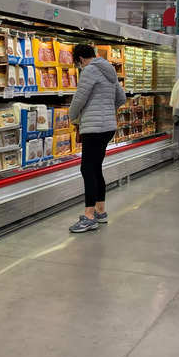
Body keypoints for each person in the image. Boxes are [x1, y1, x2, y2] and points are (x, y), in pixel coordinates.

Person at [68, 44, 126, 233]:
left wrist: (71, 115)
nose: (80, 66)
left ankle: (89, 216)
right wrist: (108, 111)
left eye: (78, 63)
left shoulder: (90, 70)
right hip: (108, 127)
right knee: (96, 167)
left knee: (87, 168)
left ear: (81, 59)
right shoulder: (109, 70)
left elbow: (79, 98)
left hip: (93, 128)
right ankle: (101, 210)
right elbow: (121, 98)